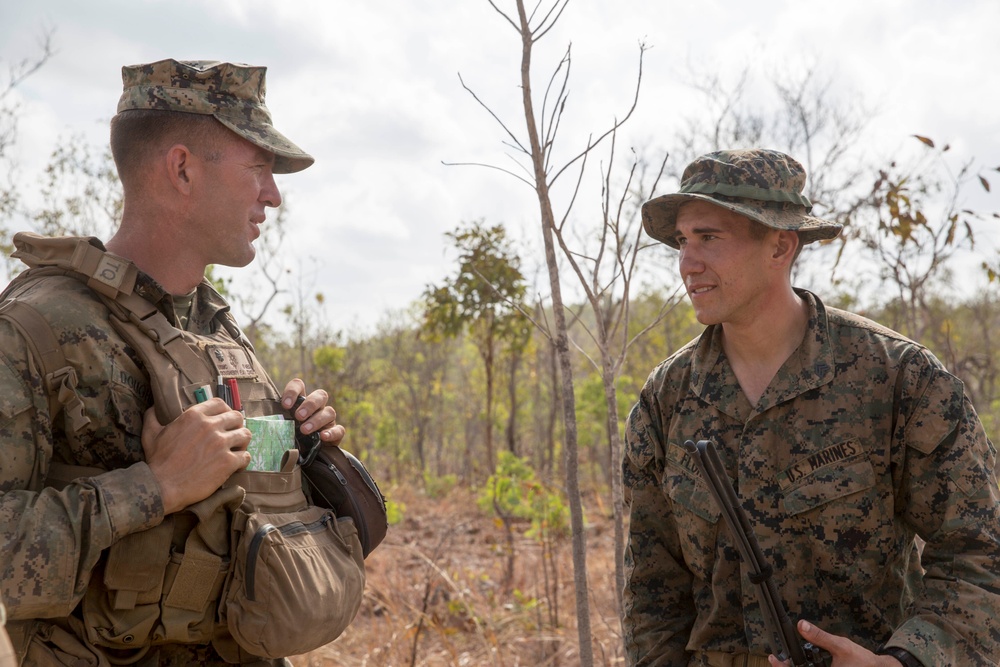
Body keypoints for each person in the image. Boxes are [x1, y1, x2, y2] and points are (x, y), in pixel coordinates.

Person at [0, 59, 363, 666]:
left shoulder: (212, 327)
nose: (273, 195)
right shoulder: (33, 329)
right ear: (183, 169)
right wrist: (155, 487)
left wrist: (294, 456)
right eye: (259, 168)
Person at [621, 148, 1000, 667]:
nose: (687, 262)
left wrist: (903, 662)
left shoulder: (899, 380)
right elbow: (651, 589)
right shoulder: (666, 399)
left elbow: (980, 553)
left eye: (708, 238)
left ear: (780, 246)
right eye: (682, 241)